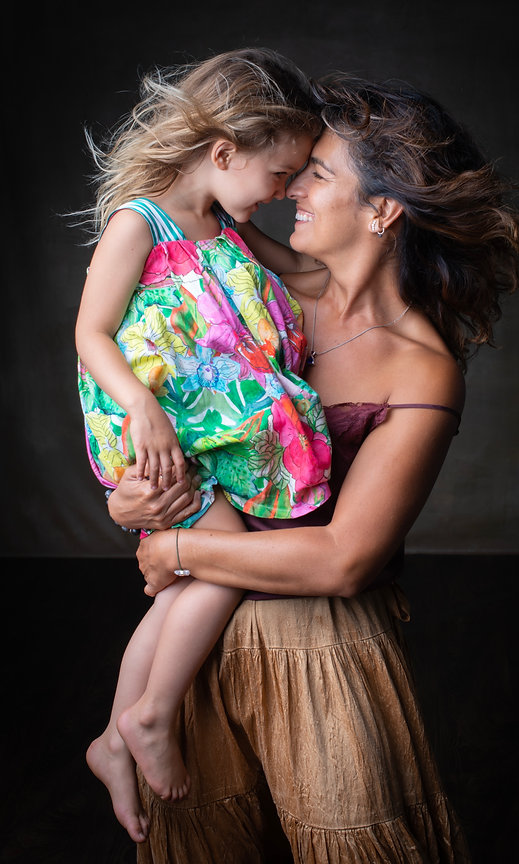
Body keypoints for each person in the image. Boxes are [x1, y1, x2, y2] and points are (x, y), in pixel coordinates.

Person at [108, 73, 519, 863]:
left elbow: (347, 560)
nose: (292, 189)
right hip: (195, 651)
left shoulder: (421, 370)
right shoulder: (249, 288)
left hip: (320, 655)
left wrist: (175, 548)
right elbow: (167, 415)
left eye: (318, 173)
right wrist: (135, 501)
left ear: (383, 211)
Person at [75, 48, 333, 844]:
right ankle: (150, 716)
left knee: (191, 576)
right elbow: (90, 332)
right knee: (221, 561)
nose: (285, 192)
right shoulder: (140, 222)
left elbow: (309, 274)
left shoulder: (227, 227)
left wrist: (371, 242)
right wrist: (140, 409)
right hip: (154, 432)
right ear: (224, 153)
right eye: (281, 174)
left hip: (208, 434)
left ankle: (113, 739)